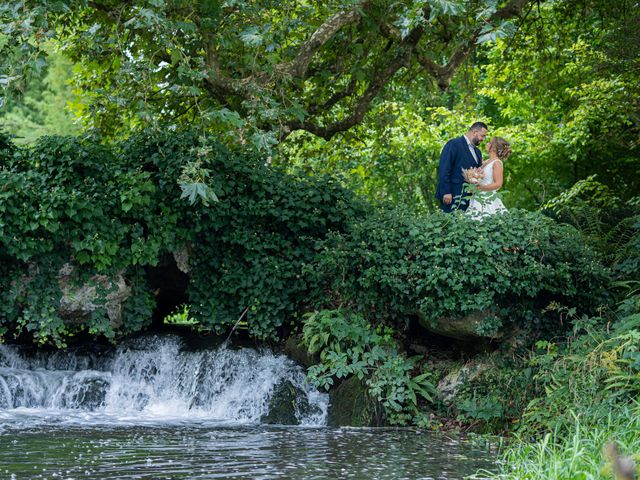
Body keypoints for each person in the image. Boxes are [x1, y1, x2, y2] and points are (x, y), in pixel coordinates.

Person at [435, 122, 488, 212]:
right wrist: (446, 192)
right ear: (475, 132)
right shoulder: (454, 144)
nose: (483, 139)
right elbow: (444, 168)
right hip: (452, 195)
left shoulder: (478, 152)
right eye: (482, 136)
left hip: (471, 199)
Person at [466, 136, 511, 217]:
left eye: (489, 142)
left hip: (488, 199)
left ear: (494, 148)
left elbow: (498, 184)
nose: (487, 144)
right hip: (478, 197)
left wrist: (480, 188)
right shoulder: (487, 161)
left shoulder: (497, 163)